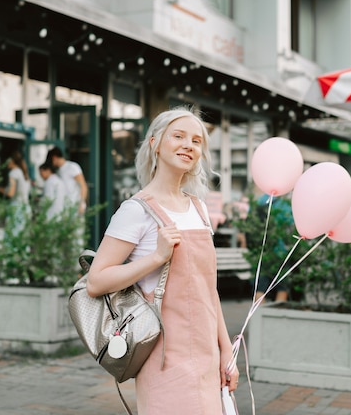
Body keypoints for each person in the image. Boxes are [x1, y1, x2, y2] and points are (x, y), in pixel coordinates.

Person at [85, 107, 239, 414]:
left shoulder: (198, 208)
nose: (188, 145)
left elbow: (210, 291)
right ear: (155, 143)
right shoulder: (136, 210)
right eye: (178, 136)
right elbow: (96, 281)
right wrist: (156, 257)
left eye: (196, 141)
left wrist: (226, 352)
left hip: (207, 354)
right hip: (164, 356)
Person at [46, 146, 88, 215]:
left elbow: (83, 185)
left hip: (75, 206)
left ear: (54, 158)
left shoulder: (72, 167)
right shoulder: (58, 171)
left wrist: (82, 203)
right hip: (64, 209)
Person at [0, 151, 31, 235]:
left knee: (12, 237)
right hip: (26, 208)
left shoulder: (14, 173)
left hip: (17, 208)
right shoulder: (24, 173)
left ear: (12, 161)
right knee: (22, 238)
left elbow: (10, 193)